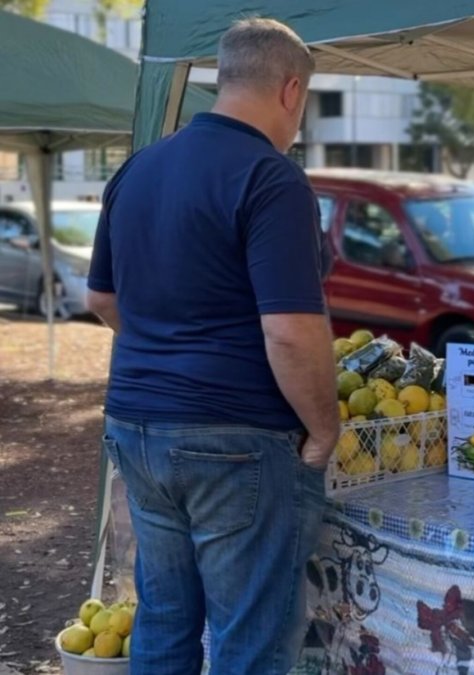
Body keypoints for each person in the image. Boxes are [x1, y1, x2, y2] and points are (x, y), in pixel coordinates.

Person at [86, 18, 339, 675]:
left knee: (165, 621)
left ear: (223, 79)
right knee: (249, 640)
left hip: (137, 424)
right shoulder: (273, 178)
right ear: (291, 91)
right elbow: (290, 330)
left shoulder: (138, 169)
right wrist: (322, 429)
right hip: (236, 437)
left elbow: (102, 298)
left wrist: (166, 351)